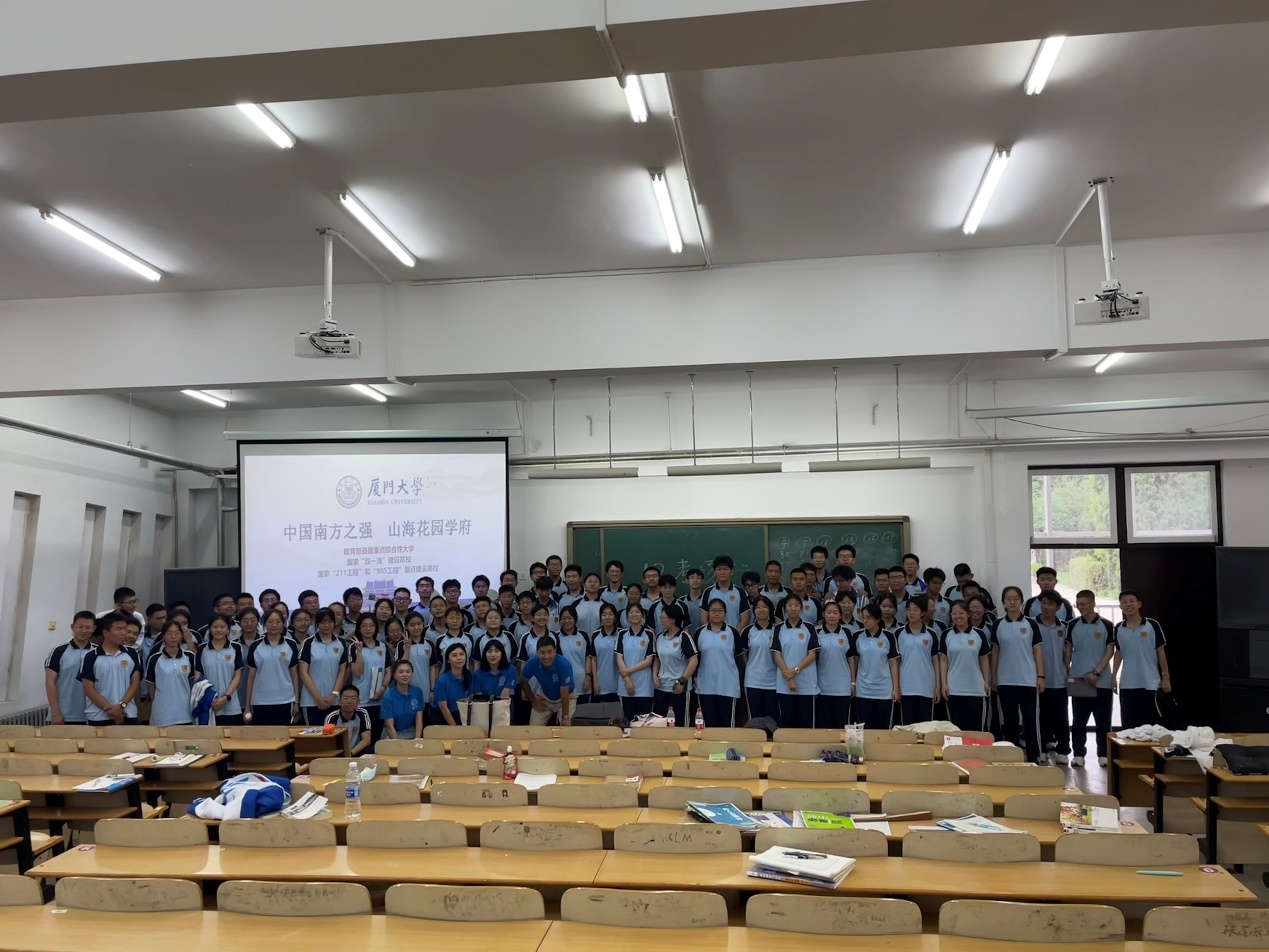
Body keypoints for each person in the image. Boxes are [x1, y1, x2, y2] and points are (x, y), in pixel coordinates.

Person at [991, 586, 1045, 763]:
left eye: (1016, 598)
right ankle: (1012, 757)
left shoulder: (1031, 624)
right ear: (1003, 602)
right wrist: (994, 677)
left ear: (1021, 601)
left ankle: (1034, 756)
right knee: (1009, 721)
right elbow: (995, 652)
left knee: (1031, 720)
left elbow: (1038, 651)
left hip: (1028, 680)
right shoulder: (998, 624)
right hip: (1005, 681)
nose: (1012, 602)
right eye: (1008, 599)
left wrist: (1041, 676)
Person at [1067, 589, 1117, 767]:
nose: (1080, 607)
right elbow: (1068, 649)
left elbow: (1110, 651)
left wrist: (1097, 672)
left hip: (1101, 680)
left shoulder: (1107, 625)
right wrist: (1067, 670)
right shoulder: (1072, 625)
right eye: (1078, 604)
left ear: (1093, 604)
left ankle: (1103, 754)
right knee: (1079, 721)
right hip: (1079, 679)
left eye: (1084, 604)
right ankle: (1078, 754)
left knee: (1103, 721)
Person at [1114, 591, 1170, 730]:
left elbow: (1161, 652)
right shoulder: (1118, 628)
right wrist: (1113, 676)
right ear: (1120, 606)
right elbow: (1118, 653)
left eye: (1131, 601)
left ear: (1139, 604)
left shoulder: (1152, 625)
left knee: (1152, 727)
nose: (1128, 605)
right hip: (1127, 684)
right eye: (1124, 602)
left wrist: (1165, 677)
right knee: (1129, 727)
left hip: (1150, 683)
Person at [78, 612, 142, 727]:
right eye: (119, 629)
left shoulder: (132, 653)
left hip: (128, 714)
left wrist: (121, 706)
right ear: (106, 632)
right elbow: (89, 689)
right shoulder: (91, 656)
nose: (124, 633)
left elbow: (135, 683)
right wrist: (110, 710)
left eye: (124, 629)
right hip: (98, 716)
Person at [939, 601, 992, 732]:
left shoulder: (979, 634)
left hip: (976, 689)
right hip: (954, 689)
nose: (958, 616)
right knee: (955, 731)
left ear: (968, 614)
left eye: (961, 613)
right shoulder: (946, 634)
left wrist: (986, 682)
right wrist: (944, 684)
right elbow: (943, 660)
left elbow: (984, 659)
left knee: (976, 731)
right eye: (954, 613)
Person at [1034, 590, 1072, 764]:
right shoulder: (1032, 625)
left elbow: (1068, 652)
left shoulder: (1064, 627)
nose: (1046, 607)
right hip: (1039, 680)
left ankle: (1063, 750)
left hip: (1059, 679)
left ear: (1058, 607)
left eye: (1050, 604)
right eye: (1043, 603)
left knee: (1062, 717)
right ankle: (1041, 749)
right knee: (1040, 716)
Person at [245, 607, 300, 726]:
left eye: (278, 621)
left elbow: (294, 675)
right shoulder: (255, 646)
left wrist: (296, 701)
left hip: (285, 700)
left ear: (283, 623)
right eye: (270, 621)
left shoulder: (291, 644)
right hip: (259, 701)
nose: (274, 625)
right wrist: (247, 705)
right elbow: (251, 677)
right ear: (264, 624)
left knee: (283, 735)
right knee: (262, 736)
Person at [694, 598, 743, 728]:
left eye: (720, 611)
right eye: (713, 610)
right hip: (705, 685)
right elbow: (694, 659)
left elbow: (739, 659)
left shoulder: (732, 632)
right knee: (708, 724)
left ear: (725, 613)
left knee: (726, 725)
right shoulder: (699, 632)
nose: (716, 613)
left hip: (728, 686)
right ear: (708, 613)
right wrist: (694, 677)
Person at [771, 595, 819, 728]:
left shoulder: (809, 628)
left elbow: (812, 655)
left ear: (801, 609)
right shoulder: (778, 628)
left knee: (806, 725)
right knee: (786, 724)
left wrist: (794, 671)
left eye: (796, 605)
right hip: (785, 685)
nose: (793, 608)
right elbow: (777, 655)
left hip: (807, 684)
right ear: (785, 609)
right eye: (790, 605)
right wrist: (789, 678)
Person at [44, 611, 98, 725]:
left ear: (94, 628)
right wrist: (55, 712)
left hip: (93, 715)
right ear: (72, 627)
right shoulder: (58, 651)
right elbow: (50, 682)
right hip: (64, 715)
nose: (84, 630)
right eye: (80, 627)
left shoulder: (98, 652)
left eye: (88, 627)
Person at [298, 608, 349, 726]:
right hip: (311, 701)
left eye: (330, 622)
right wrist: (317, 698)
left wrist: (333, 695)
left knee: (335, 734)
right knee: (314, 735)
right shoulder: (308, 643)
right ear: (317, 623)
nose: (326, 625)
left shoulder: (341, 643)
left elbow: (342, 672)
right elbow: (303, 673)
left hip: (334, 701)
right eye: (322, 622)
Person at [853, 604, 899, 730]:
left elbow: (893, 663)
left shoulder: (888, 636)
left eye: (869, 617)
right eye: (863, 617)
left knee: (883, 730)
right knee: (865, 729)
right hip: (863, 690)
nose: (865, 621)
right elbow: (855, 662)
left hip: (884, 690)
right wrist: (853, 683)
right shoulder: (857, 636)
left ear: (878, 619)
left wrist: (895, 688)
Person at [896, 595, 940, 726]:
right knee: (907, 727)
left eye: (915, 610)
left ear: (923, 612)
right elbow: (896, 662)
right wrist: (896, 687)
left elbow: (936, 661)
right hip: (906, 687)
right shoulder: (899, 633)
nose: (911, 613)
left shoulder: (931, 634)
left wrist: (938, 686)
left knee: (926, 727)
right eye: (908, 609)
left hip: (927, 687)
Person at [144, 619, 197, 727]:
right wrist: (158, 703)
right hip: (162, 713)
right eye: (169, 633)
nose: (173, 637)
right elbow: (151, 686)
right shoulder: (155, 659)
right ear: (163, 636)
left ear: (181, 635)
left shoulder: (189, 656)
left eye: (177, 633)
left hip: (185, 712)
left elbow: (193, 682)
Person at [650, 604, 697, 725]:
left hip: (679, 689)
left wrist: (682, 681)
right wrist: (654, 674)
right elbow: (657, 659)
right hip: (661, 687)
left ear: (672, 620)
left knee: (679, 724)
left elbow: (693, 660)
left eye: (663, 617)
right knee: (661, 723)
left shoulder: (684, 637)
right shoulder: (660, 637)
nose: (661, 620)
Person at [815, 598, 856, 730]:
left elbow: (851, 659)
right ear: (823, 614)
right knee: (824, 725)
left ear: (840, 615)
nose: (832, 616)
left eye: (835, 613)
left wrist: (853, 682)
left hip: (842, 686)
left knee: (841, 724)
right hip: (822, 685)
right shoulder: (816, 633)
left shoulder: (846, 633)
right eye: (829, 612)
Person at [196, 612, 244, 725]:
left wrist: (226, 697)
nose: (218, 630)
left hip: (231, 706)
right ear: (210, 629)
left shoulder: (236, 647)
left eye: (222, 627)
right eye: (215, 627)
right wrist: (209, 697)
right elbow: (198, 676)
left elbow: (237, 675)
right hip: (208, 705)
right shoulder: (202, 649)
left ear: (228, 629)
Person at [348, 612, 388, 741]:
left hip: (379, 699)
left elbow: (389, 670)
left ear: (376, 627)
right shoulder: (353, 647)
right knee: (361, 738)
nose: (368, 628)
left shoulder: (382, 646)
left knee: (376, 737)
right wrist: (359, 651)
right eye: (364, 626)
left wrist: (383, 687)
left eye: (371, 625)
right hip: (361, 700)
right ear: (359, 628)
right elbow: (357, 672)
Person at [521, 635, 576, 727]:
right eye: (542, 652)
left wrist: (565, 717)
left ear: (555, 651)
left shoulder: (564, 664)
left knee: (566, 729)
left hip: (567, 697)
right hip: (545, 697)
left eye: (550, 652)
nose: (546, 657)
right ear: (537, 652)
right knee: (533, 729)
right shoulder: (532, 662)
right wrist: (533, 700)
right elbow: (523, 680)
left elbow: (564, 693)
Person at [740, 596, 779, 722]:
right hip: (753, 681)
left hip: (774, 681)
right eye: (758, 607)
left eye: (764, 607)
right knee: (755, 719)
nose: (761, 610)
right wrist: (750, 668)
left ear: (770, 610)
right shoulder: (747, 631)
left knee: (773, 719)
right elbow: (744, 654)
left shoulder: (778, 630)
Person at [615, 606, 656, 720]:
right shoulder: (622, 634)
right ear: (627, 616)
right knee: (627, 721)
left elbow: (649, 660)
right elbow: (619, 657)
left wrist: (627, 671)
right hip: (625, 685)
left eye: (637, 612)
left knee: (643, 722)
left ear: (642, 615)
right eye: (631, 612)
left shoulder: (649, 634)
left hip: (644, 686)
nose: (634, 614)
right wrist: (627, 680)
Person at [397, 611, 435, 712]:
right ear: (406, 627)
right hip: (406, 690)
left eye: (419, 624)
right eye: (412, 625)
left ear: (423, 624)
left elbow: (432, 668)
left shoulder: (429, 644)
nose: (416, 627)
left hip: (425, 691)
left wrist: (432, 690)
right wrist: (407, 648)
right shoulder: (401, 645)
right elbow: (400, 667)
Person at [701, 555, 751, 629]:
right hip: (712, 634)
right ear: (714, 572)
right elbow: (703, 618)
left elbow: (745, 619)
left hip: (734, 633)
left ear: (731, 572)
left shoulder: (740, 592)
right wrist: (711, 633)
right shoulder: (708, 592)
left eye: (725, 569)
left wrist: (734, 633)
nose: (722, 572)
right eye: (719, 569)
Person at [556, 606, 594, 701]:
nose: (566, 621)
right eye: (563, 618)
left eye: (570, 618)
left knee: (584, 710)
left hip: (582, 682)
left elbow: (587, 658)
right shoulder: (555, 636)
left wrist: (588, 676)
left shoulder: (583, 635)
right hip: (563, 684)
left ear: (575, 619)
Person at [381, 659, 426, 738]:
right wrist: (399, 744)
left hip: (410, 731)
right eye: (401, 672)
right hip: (392, 734)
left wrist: (417, 739)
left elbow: (419, 719)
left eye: (408, 672)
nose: (405, 675)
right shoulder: (388, 697)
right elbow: (389, 727)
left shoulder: (417, 692)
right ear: (394, 675)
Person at [325, 685, 373, 756]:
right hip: (338, 753)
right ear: (339, 702)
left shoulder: (362, 713)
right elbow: (328, 740)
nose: (349, 701)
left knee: (370, 750)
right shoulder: (332, 717)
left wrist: (350, 753)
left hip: (356, 752)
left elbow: (366, 740)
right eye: (346, 698)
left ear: (358, 702)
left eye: (353, 698)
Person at [590, 603, 622, 702]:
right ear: (600, 617)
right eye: (604, 614)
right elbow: (593, 659)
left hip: (619, 684)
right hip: (601, 684)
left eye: (610, 614)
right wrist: (595, 681)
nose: (607, 617)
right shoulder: (595, 635)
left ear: (615, 617)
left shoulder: (622, 634)